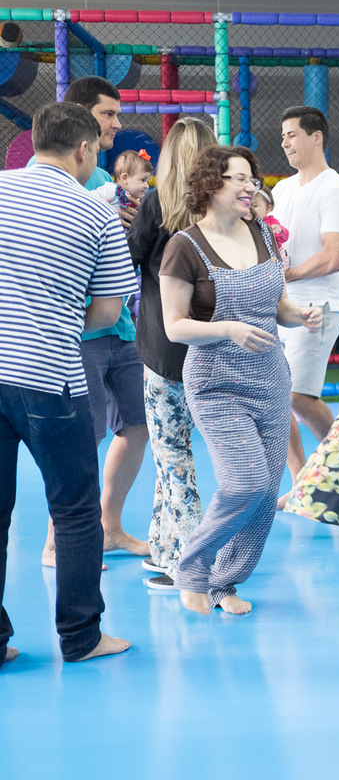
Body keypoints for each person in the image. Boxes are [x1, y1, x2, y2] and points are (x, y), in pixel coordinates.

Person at [160, 146, 321, 615]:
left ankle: (224, 582)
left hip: (270, 378)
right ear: (211, 185)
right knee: (246, 482)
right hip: (216, 384)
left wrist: (299, 315)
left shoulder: (263, 234)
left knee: (267, 494)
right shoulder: (184, 247)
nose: (251, 187)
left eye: (252, 178)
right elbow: (175, 326)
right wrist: (227, 329)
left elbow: (278, 305)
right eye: (239, 179)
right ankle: (192, 569)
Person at [1, 102, 135, 664]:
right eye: (97, 150)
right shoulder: (95, 211)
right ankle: (81, 637)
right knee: (76, 510)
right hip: (50, 377)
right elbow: (107, 312)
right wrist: (53, 319)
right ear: (83, 149)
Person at [40, 76, 149, 567]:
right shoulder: (46, 179)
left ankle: (109, 528)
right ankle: (57, 542)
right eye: (108, 114)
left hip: (119, 324)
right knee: (84, 434)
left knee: (138, 425)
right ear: (81, 117)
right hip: (78, 328)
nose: (117, 124)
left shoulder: (105, 177)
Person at [128, 117, 218, 590]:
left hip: (164, 351)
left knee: (173, 454)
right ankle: (164, 545)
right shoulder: (221, 209)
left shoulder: (156, 204)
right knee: (172, 453)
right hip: (211, 346)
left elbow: (129, 257)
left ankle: (189, 561)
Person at [273, 106, 339, 500]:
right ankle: (301, 483)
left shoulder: (334, 188)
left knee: (298, 396)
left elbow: (335, 256)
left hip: (317, 305)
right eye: (283, 136)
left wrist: (289, 275)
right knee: (277, 396)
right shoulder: (281, 190)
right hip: (280, 305)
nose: (284, 142)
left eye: (291, 134)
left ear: (316, 137)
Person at [249, 186, 289, 269]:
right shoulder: (245, 223)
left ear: (268, 208)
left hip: (274, 258)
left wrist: (279, 231)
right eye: (247, 205)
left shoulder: (271, 222)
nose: (250, 209)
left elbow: (284, 237)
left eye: (254, 205)